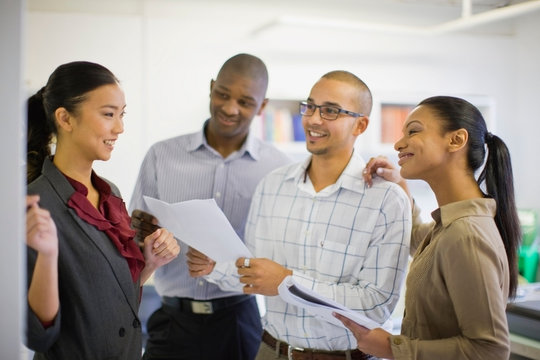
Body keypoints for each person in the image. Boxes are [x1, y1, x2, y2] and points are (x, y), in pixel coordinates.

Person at [188, 70, 412, 360]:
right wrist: (213, 267)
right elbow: (253, 272)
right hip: (271, 351)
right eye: (310, 106)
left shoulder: (387, 200)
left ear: (360, 124)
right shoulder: (272, 186)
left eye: (330, 110)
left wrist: (287, 281)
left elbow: (375, 304)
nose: (314, 119)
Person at [129, 53, 291, 360]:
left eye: (245, 101)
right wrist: (139, 232)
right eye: (223, 94)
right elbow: (134, 244)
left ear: (263, 106)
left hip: (238, 321)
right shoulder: (161, 156)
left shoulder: (279, 170)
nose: (230, 108)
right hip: (172, 322)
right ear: (211, 87)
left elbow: (281, 252)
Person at [334, 95, 520, 359]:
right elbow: (419, 241)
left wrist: (390, 347)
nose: (399, 143)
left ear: (456, 140)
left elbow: (490, 350)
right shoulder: (451, 225)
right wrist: (400, 186)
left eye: (414, 131)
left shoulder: (466, 234)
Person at [25, 61, 180, 359]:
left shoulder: (111, 195)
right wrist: (47, 255)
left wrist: (149, 263)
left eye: (121, 115)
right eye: (109, 114)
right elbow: (38, 334)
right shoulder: (34, 204)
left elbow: (112, 301)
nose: (119, 128)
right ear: (65, 119)